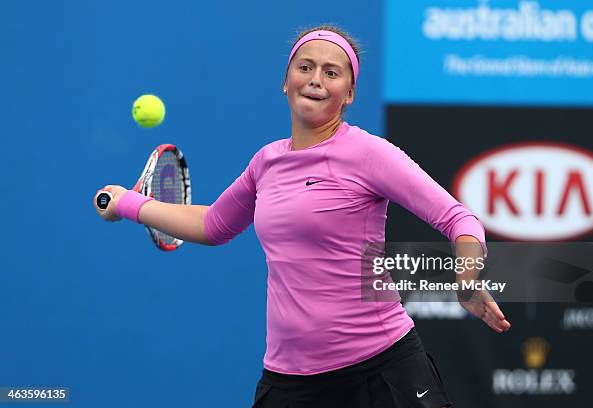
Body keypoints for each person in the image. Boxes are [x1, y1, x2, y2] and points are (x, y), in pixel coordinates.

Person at [94, 24, 511, 408]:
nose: (315, 79)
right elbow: (213, 225)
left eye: (332, 72)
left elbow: (459, 219)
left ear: (349, 93)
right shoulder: (266, 162)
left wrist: (468, 276)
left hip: (382, 371)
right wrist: (128, 204)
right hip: (289, 380)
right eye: (305, 67)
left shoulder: (369, 154)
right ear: (286, 81)